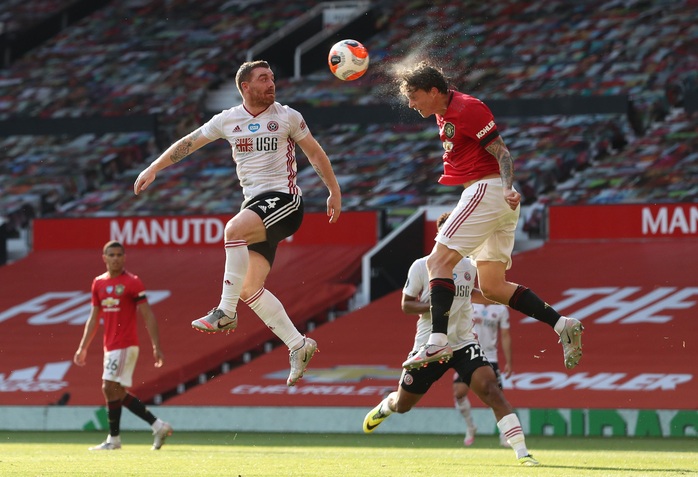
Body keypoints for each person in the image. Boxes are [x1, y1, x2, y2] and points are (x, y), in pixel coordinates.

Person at [133, 60, 342, 386]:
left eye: (272, 77)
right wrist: (154, 167)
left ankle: (225, 312)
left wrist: (334, 191)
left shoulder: (287, 116)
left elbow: (315, 153)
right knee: (248, 288)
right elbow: (188, 143)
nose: (271, 83)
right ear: (245, 86)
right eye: (263, 79)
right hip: (256, 208)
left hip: (285, 202)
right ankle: (298, 344)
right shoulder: (228, 120)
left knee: (233, 230)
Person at [396, 62, 583, 371]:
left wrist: (507, 188)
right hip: (493, 198)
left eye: (414, 96)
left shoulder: (468, 108)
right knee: (494, 287)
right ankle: (562, 324)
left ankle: (437, 342)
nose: (411, 104)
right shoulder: (443, 111)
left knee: (436, 262)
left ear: (433, 91)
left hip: (488, 191)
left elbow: (502, 153)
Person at [362, 214, 539, 466]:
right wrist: (437, 302)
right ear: (441, 236)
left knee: (492, 391)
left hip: (463, 343)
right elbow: (406, 304)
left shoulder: (469, 265)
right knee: (404, 405)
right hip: (430, 346)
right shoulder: (421, 266)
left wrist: (499, 297)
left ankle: (523, 454)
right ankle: (387, 406)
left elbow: (471, 293)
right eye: (451, 233)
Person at [74, 241, 172, 451]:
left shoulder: (132, 282)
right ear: (104, 257)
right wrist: (83, 347)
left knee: (108, 387)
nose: (116, 258)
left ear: (124, 257)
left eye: (119, 254)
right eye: (111, 255)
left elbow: (148, 314)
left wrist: (156, 345)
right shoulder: (98, 283)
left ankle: (115, 440)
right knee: (115, 390)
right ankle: (158, 426)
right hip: (110, 346)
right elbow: (93, 318)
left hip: (125, 344)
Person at [455, 301, 512, 447]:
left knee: (496, 397)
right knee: (459, 393)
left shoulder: (501, 309)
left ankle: (505, 434)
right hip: (469, 354)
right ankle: (471, 426)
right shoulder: (469, 303)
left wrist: (509, 362)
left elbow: (505, 335)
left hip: (490, 357)